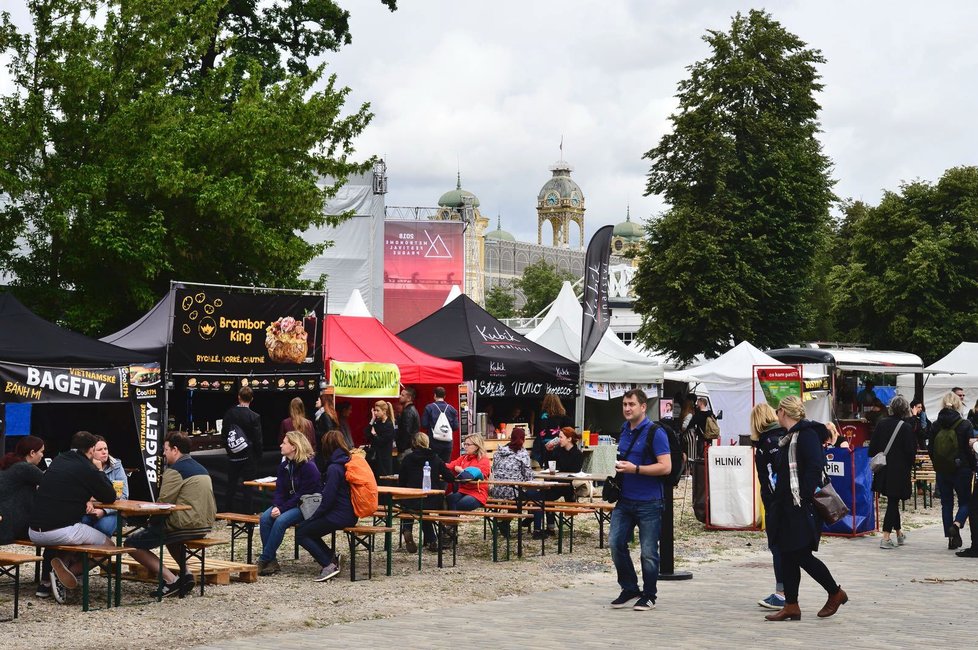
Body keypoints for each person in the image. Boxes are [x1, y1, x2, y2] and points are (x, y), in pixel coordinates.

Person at [764, 395, 847, 621]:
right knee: (788, 554)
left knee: (801, 554)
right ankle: (791, 604)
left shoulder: (807, 434)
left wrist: (802, 494)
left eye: (778, 410)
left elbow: (814, 467)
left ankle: (835, 592)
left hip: (800, 505)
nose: (776, 414)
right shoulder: (789, 437)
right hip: (786, 505)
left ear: (784, 412)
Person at [28, 431, 117, 603]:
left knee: (69, 542)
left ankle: (46, 583)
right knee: (109, 547)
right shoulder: (87, 468)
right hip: (60, 530)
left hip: (34, 530)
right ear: (91, 450)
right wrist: (99, 470)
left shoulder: (59, 460)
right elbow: (110, 496)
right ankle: (64, 576)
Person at [125, 432, 216, 597]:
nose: (164, 454)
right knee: (171, 538)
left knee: (131, 543)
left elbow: (163, 504)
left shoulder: (175, 471)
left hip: (185, 524)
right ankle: (186, 574)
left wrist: (150, 522)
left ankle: (170, 580)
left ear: (175, 450)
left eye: (166, 450)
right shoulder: (201, 468)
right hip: (204, 524)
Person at [608, 389, 671, 612]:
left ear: (643, 407)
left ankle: (649, 594)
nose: (627, 408)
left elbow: (666, 466)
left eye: (631, 404)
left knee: (648, 552)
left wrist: (635, 469)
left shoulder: (655, 432)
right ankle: (629, 588)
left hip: (650, 501)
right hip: (625, 499)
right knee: (615, 543)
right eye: (624, 404)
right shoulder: (624, 430)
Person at [295, 430, 358, 582]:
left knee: (302, 532)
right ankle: (331, 557)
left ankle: (328, 564)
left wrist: (314, 516)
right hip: (349, 513)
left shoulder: (333, 468)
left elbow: (328, 499)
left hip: (339, 515)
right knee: (308, 530)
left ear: (327, 447)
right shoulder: (345, 463)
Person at [257, 430, 321, 576]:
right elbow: (279, 491)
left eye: (284, 443)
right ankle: (272, 561)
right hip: (289, 503)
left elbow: (302, 495)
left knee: (280, 521)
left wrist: (282, 509)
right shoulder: (284, 466)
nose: (281, 445)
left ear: (294, 447)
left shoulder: (309, 467)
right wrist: (277, 506)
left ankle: (264, 559)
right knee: (265, 518)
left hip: (306, 505)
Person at [749, 403, 786, 611]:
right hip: (791, 502)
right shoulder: (784, 436)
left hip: (776, 504)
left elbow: (771, 477)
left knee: (778, 548)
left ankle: (781, 593)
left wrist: (773, 503)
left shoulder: (765, 444)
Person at [869, 396, 917, 549]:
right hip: (899, 471)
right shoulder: (906, 427)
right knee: (893, 501)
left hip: (883, 470)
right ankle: (885, 537)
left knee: (892, 500)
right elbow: (911, 452)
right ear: (905, 409)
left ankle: (899, 533)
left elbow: (872, 449)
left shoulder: (881, 424)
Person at [930, 390, 975, 551]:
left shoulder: (935, 425)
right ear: (958, 405)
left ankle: (950, 539)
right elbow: (970, 451)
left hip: (942, 469)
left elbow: (931, 449)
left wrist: (937, 464)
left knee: (946, 503)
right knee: (966, 501)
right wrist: (973, 467)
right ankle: (957, 524)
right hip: (962, 469)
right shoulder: (965, 425)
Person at [398, 432, 454, 552]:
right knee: (424, 513)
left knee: (408, 509)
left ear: (414, 443)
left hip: (411, 499)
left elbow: (401, 480)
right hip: (431, 499)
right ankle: (432, 540)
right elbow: (449, 477)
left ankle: (407, 530)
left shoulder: (408, 458)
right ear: (427, 442)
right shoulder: (435, 458)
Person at [530, 427, 583, 539]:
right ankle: (549, 527)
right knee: (544, 495)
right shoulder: (558, 450)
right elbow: (549, 464)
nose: (559, 440)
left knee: (543, 495)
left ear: (569, 439)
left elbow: (575, 471)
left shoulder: (577, 454)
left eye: (561, 437)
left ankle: (536, 522)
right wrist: (548, 451)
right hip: (556, 484)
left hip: (568, 486)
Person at [223, 387, 263, 514]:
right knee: (248, 487)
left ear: (238, 397)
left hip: (233, 456)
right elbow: (258, 439)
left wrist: (230, 450)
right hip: (249, 457)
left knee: (231, 485)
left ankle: (228, 513)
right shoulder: (254, 417)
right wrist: (258, 455)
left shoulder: (229, 413)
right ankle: (247, 514)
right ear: (252, 399)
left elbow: (224, 434)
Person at [488, 427, 533, 538]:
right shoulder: (522, 454)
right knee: (528, 496)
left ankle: (506, 522)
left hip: (497, 491)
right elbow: (528, 476)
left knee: (515, 493)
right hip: (513, 492)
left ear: (510, 438)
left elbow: (494, 469)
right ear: (523, 439)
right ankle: (508, 522)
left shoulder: (499, 452)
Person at [80, 436, 129, 538]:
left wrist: (104, 511)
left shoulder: (116, 466)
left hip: (112, 511)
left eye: (105, 449)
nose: (104, 452)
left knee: (103, 527)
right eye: (100, 450)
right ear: (92, 452)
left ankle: (102, 553)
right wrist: (87, 501)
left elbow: (123, 496)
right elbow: (80, 492)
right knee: (82, 523)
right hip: (89, 510)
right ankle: (82, 554)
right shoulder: (84, 466)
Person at [0, 435, 45, 546]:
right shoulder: (25, 467)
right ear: (32, 453)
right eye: (41, 452)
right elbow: (52, 483)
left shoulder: (10, 464)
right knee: (55, 531)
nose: (43, 455)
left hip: (5, 522)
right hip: (12, 526)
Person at [445, 434, 492, 512]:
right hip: (463, 491)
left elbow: (478, 475)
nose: (465, 447)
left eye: (468, 444)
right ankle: (449, 523)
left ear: (477, 446)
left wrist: (460, 470)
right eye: (464, 444)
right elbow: (449, 466)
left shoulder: (484, 460)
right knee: (448, 500)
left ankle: (451, 522)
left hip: (478, 492)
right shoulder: (463, 458)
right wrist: (437, 463)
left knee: (460, 504)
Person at [421, 386, 459, 463]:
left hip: (433, 442)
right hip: (448, 443)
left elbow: (424, 424)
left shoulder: (429, 408)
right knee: (445, 466)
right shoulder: (452, 409)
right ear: (444, 396)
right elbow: (455, 427)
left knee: (433, 464)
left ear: (434, 395)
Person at [532, 393, 570, 469]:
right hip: (558, 443)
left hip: (545, 445)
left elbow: (541, 430)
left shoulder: (543, 415)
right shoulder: (563, 415)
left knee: (548, 467)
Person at [365, 400, 396, 479]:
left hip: (384, 460)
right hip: (375, 458)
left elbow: (382, 442)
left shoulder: (389, 425)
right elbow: (367, 434)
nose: (375, 413)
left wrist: (375, 434)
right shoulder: (377, 423)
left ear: (384, 411)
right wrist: (372, 419)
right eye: (374, 410)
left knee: (384, 481)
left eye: (377, 410)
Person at [396, 386, 421, 463]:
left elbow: (406, 431)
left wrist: (401, 448)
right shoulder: (411, 410)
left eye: (403, 395)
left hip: (407, 449)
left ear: (409, 398)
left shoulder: (408, 412)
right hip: (409, 447)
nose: (400, 396)